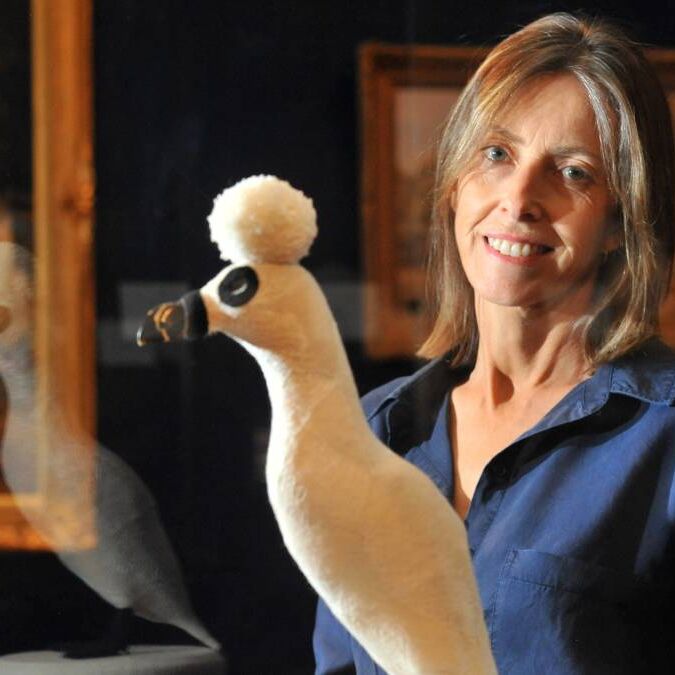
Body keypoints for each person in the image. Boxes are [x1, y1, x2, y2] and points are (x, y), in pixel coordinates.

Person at [314, 12, 675, 674]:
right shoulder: (374, 431)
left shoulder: (661, 437)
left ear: (623, 221)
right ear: (453, 184)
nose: (518, 198)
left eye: (571, 172)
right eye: (495, 154)